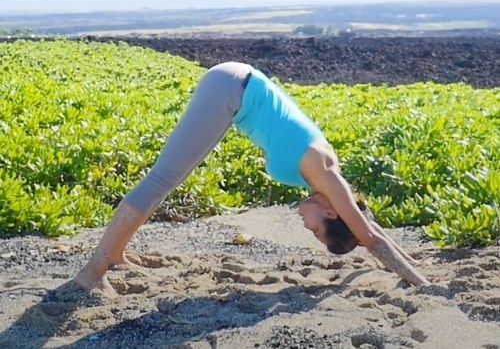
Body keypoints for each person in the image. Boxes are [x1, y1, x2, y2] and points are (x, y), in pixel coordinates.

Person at [74, 62, 430, 294]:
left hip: (235, 88)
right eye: (314, 229)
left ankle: (114, 253)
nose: (304, 224)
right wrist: (420, 282)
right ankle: (93, 271)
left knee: (164, 179)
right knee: (162, 179)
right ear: (331, 213)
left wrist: (411, 263)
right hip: (231, 90)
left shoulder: (331, 188)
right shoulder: (325, 175)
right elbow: (368, 236)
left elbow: (366, 226)